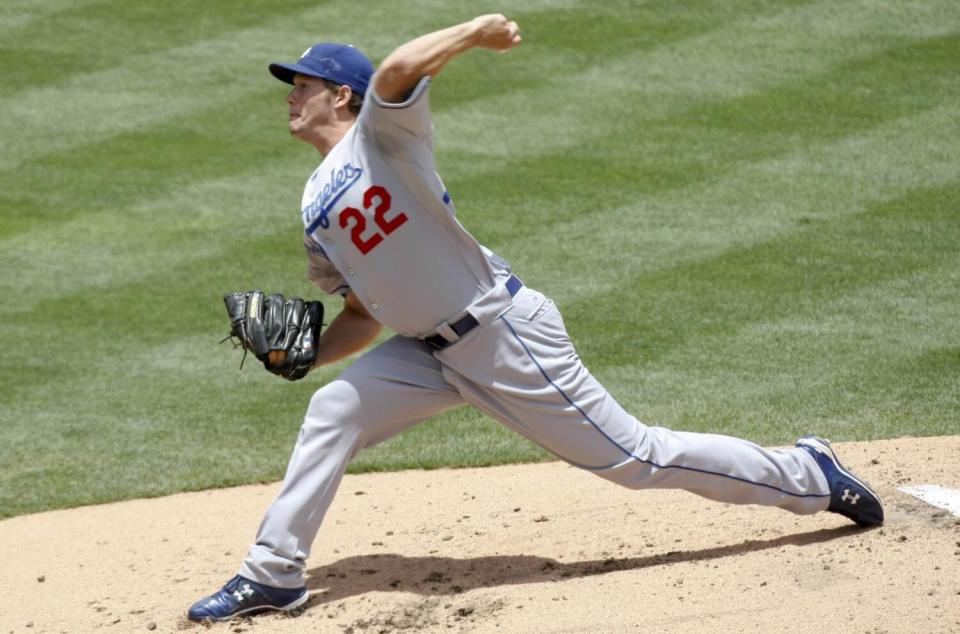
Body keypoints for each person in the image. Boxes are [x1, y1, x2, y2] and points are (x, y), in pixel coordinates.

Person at [187, 15, 883, 622]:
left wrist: (473, 34)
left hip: (500, 332)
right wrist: (309, 356)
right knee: (332, 413)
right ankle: (274, 574)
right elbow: (364, 317)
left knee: (634, 459)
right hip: (422, 353)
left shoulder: (383, 137)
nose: (291, 94)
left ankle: (810, 473)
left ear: (341, 95)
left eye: (304, 83)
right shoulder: (313, 203)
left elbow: (398, 68)